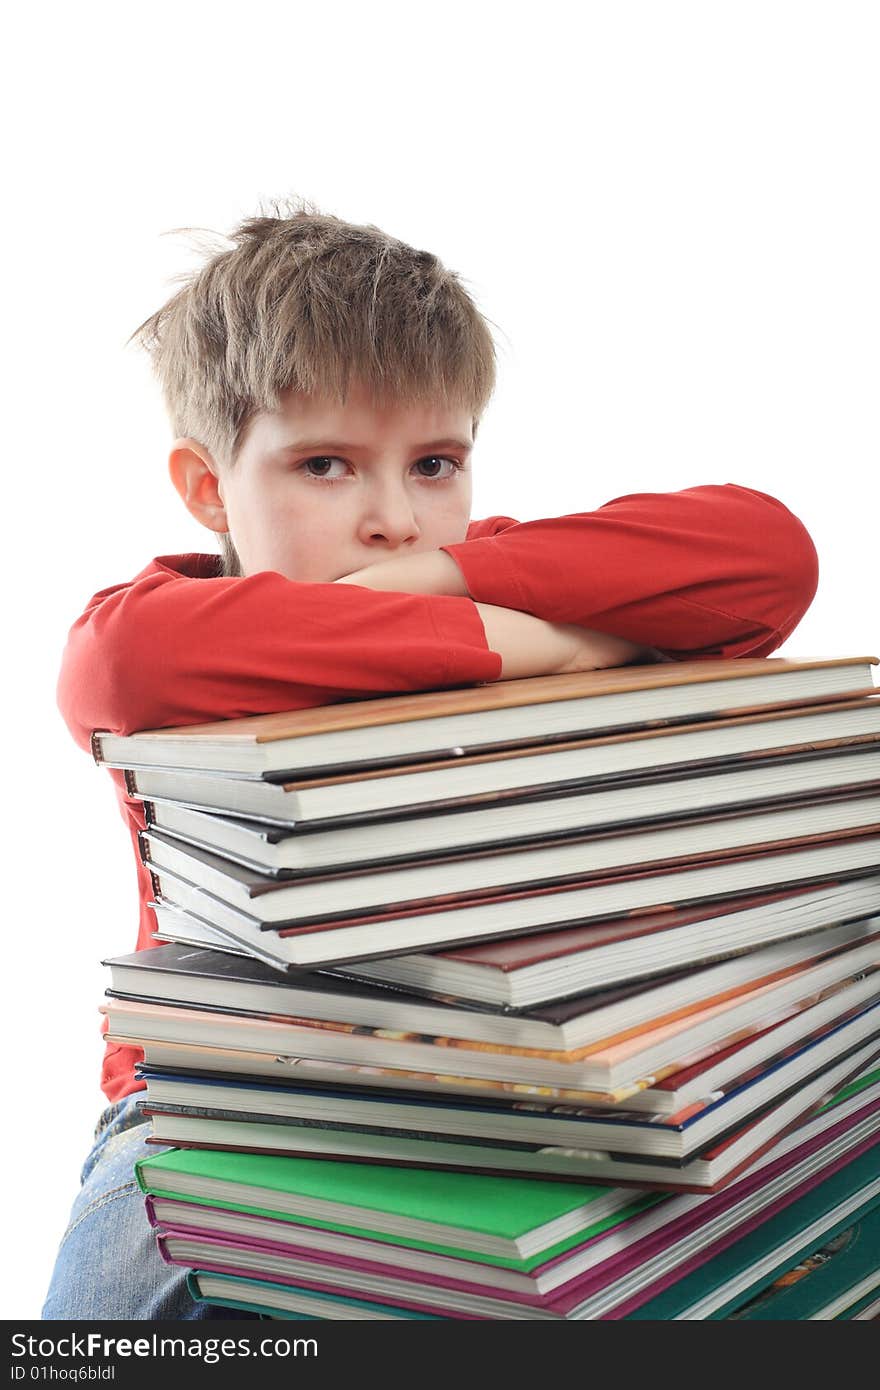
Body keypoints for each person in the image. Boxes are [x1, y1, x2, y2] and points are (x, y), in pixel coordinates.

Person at [45, 200, 819, 1319]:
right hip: (225, 1104)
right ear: (211, 486)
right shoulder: (172, 626)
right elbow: (114, 664)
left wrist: (439, 586)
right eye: (324, 465)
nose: (392, 519)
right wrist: (548, 647)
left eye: (434, 462)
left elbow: (765, 556)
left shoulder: (458, 561)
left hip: (514, 1087)